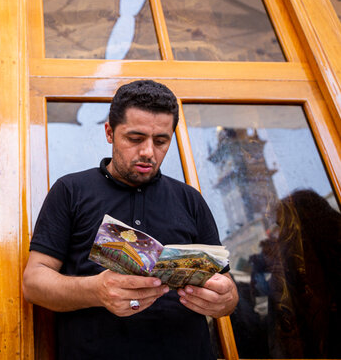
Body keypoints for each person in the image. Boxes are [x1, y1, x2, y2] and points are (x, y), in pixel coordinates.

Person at [23, 80, 238, 359]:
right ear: (110, 132)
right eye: (135, 139)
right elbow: (33, 282)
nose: (149, 152)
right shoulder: (70, 191)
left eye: (161, 141)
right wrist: (95, 290)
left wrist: (226, 299)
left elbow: (226, 286)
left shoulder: (190, 199)